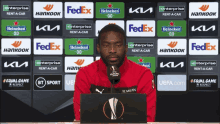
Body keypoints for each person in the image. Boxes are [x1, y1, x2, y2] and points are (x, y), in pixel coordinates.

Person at [73, 24, 156, 122]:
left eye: (118, 45)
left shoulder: (143, 74)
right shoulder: (85, 74)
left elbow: (148, 120)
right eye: (106, 45)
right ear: (98, 48)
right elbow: (81, 119)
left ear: (126, 48)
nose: (112, 50)